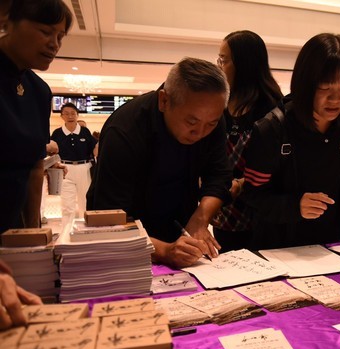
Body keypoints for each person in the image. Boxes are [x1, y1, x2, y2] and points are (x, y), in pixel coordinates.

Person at [87, 57, 232, 268]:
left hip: (178, 226)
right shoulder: (125, 130)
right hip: (126, 237)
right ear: (164, 100)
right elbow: (111, 217)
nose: (200, 133)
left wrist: (201, 219)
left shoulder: (211, 120)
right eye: (191, 122)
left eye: (211, 124)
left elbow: (219, 175)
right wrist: (163, 250)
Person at [242, 33, 340, 250]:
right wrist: (294, 206)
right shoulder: (272, 129)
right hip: (279, 249)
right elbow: (253, 196)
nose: (335, 99)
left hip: (330, 245)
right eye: (325, 88)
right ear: (305, 84)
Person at [0, 0, 71, 329]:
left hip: (9, 230)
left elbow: (33, 166)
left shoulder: (39, 90)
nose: (53, 44)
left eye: (60, 36)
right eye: (45, 31)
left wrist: (32, 234)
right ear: (7, 19)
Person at [211, 30, 283, 252]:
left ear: (244, 63)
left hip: (258, 215)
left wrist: (242, 183)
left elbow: (278, 167)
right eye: (219, 58)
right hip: (222, 212)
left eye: (224, 59)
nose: (219, 65)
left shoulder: (271, 107)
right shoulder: (220, 101)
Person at [51, 103, 97, 222]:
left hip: (84, 168)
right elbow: (52, 152)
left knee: (85, 202)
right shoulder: (57, 133)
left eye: (73, 113)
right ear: (61, 116)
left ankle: (86, 232)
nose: (70, 116)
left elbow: (95, 148)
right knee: (67, 205)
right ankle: (66, 233)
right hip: (65, 169)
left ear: (77, 115)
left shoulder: (85, 131)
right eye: (66, 114)